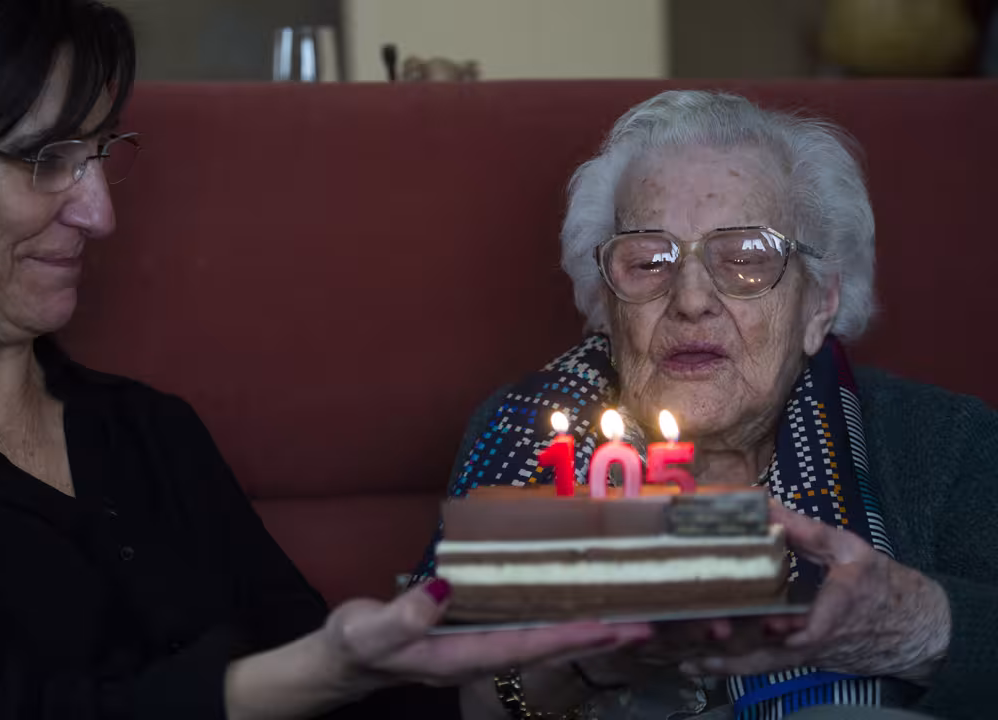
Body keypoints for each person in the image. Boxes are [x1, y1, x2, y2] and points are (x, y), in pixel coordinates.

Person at [0, 1, 653, 718]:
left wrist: (575, 662)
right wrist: (286, 680)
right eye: (46, 157)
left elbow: (358, 699)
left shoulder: (145, 434)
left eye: (98, 151)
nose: (99, 213)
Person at [417, 91, 998, 719]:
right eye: (648, 262)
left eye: (746, 260)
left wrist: (910, 623)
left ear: (819, 304)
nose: (691, 299)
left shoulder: (944, 442)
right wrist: (582, 664)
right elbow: (443, 694)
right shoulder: (527, 436)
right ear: (606, 304)